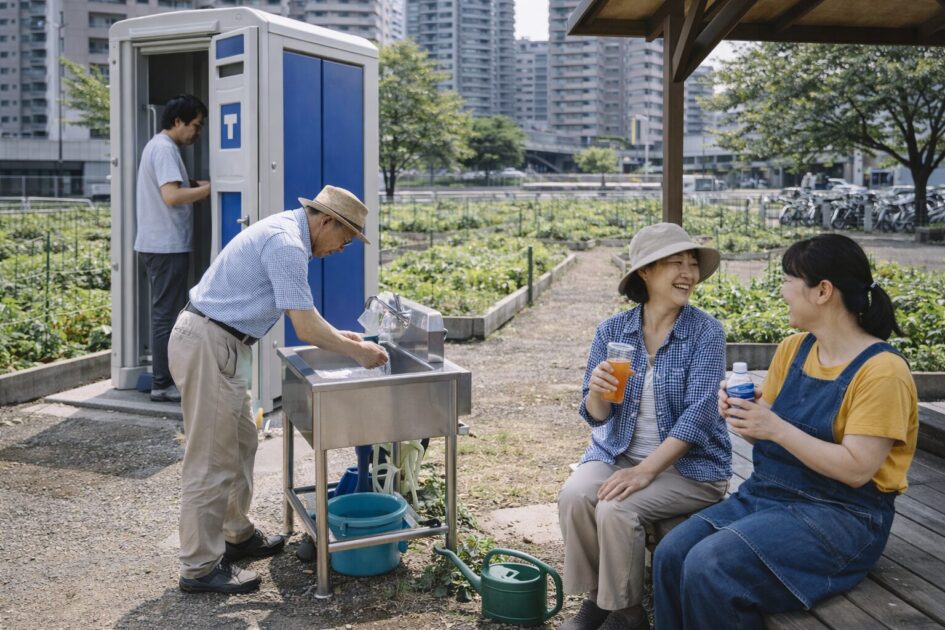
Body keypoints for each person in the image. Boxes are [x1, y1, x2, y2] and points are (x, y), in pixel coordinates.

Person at [653, 233, 918, 630]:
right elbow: (765, 437)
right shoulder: (794, 348)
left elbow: (857, 469)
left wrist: (774, 426)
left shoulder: (883, 372)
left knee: (712, 566)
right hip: (770, 494)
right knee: (671, 552)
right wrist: (746, 418)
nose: (782, 291)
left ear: (823, 291)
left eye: (788, 280)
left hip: (844, 515)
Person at [169, 185, 388, 594]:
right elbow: (304, 327)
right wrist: (358, 355)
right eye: (345, 238)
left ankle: (236, 535)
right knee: (211, 458)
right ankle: (199, 568)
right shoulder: (287, 244)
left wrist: (341, 338)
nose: (343, 248)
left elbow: (306, 316)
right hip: (209, 344)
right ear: (326, 221)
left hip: (220, 343)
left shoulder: (288, 234)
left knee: (240, 443)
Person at [558, 223, 732, 630]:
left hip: (689, 469)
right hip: (619, 453)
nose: (689, 273)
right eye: (677, 263)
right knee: (576, 495)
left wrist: (645, 471)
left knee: (615, 508)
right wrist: (597, 392)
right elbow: (596, 415)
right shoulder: (613, 331)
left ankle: (627, 613)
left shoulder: (705, 332)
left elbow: (700, 415)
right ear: (645, 272)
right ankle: (600, 598)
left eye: (693, 264)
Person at [134, 94, 211, 403]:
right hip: (165, 246)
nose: (198, 132)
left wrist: (196, 183)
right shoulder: (165, 149)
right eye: (195, 125)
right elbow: (171, 196)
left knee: (168, 313)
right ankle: (163, 383)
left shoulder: (160, 147)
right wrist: (210, 189)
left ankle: (166, 380)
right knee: (166, 316)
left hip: (163, 244)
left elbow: (177, 185)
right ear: (177, 122)